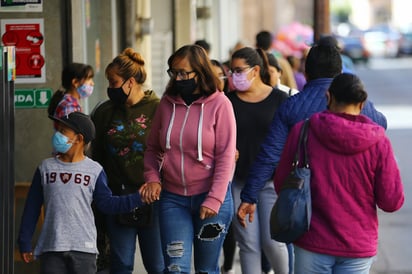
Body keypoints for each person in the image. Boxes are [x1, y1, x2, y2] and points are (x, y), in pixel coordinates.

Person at [239, 38, 388, 274]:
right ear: (340, 73)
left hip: (309, 218)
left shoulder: (292, 107)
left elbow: (270, 155)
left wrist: (249, 196)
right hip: (356, 226)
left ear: (306, 73)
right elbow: (382, 126)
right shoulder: (365, 109)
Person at [274, 73, 404, 273]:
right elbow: (391, 201)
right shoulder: (379, 141)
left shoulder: (303, 131)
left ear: (328, 97)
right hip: (358, 244)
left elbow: (282, 182)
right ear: (362, 103)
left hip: (311, 240)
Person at [141, 44, 236, 273]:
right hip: (173, 199)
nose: (178, 77)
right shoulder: (166, 104)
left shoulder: (220, 104)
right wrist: (152, 177)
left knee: (206, 269)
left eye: (184, 72)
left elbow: (225, 156)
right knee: (175, 268)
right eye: (174, 72)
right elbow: (152, 148)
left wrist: (214, 199)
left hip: (212, 199)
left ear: (200, 72)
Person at [17, 111, 144, 274]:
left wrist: (138, 198)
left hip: (84, 250)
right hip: (51, 248)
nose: (58, 135)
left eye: (63, 131)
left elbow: (107, 204)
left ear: (79, 138)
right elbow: (32, 207)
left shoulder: (94, 171)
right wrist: (24, 241)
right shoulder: (45, 168)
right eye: (58, 130)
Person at [91, 48, 164, 274]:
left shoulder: (159, 108)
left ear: (130, 82)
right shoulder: (104, 112)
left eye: (113, 82)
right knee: (121, 263)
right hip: (117, 197)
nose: (110, 88)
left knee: (158, 264)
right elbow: (97, 155)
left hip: (155, 197)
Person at [228, 47, 289, 274]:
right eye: (231, 71)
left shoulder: (279, 99)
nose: (234, 75)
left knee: (273, 242)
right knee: (248, 244)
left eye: (239, 70)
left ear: (255, 70)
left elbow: (288, 140)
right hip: (238, 181)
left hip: (271, 182)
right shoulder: (228, 101)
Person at [211, 59, 236, 274]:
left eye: (221, 75)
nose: (217, 79)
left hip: (231, 179)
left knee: (229, 229)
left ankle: (227, 266)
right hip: (203, 181)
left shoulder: (229, 103)